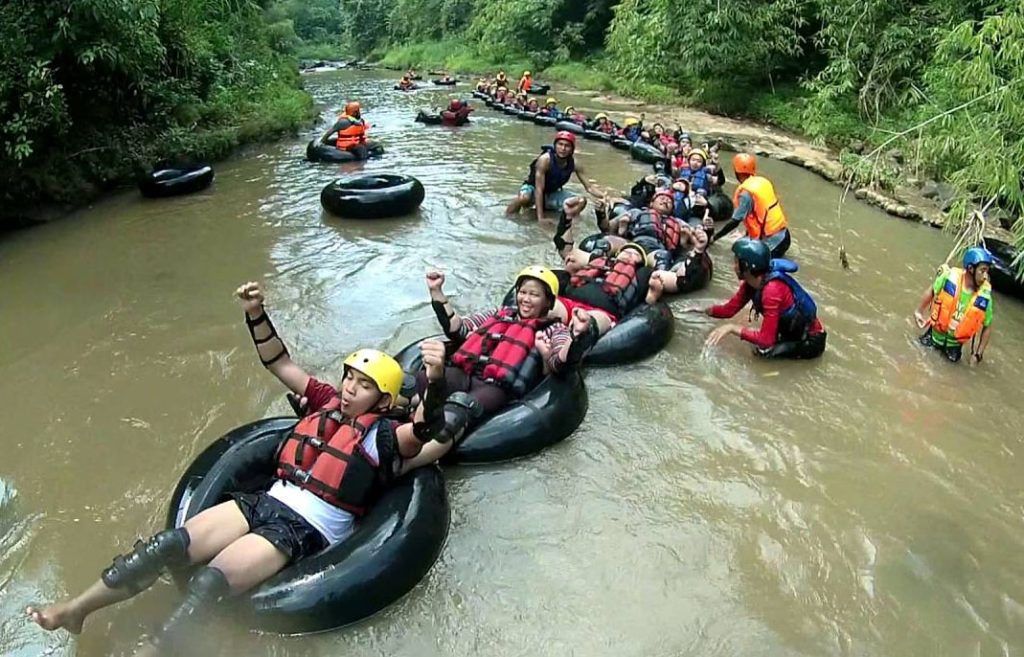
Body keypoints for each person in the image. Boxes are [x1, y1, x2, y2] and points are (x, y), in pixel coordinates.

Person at [26, 282, 453, 655]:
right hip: (264, 501)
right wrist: (256, 313)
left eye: (363, 386)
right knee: (166, 545)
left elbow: (423, 428)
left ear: (382, 401)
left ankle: (154, 652)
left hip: (304, 528)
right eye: (349, 378)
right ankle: (76, 610)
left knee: (209, 585)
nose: (349, 389)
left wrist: (435, 379)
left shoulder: (383, 435)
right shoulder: (323, 401)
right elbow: (279, 363)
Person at [420, 267, 598, 444]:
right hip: (465, 372)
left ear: (548, 301)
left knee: (458, 410)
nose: (526, 299)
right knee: (420, 382)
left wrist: (576, 335)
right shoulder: (497, 314)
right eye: (522, 292)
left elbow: (560, 361)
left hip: (497, 387)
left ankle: (421, 452)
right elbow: (458, 329)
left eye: (534, 295)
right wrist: (437, 293)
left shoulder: (554, 329)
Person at [690, 238, 826, 359]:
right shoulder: (752, 282)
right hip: (791, 331)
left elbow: (766, 341)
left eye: (737, 263)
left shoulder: (772, 291)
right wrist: (704, 310)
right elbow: (729, 310)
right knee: (759, 345)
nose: (734, 267)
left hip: (811, 340)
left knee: (762, 352)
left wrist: (732, 328)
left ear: (747, 267)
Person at [914, 247, 994, 363]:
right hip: (933, 336)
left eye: (987, 271)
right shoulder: (948, 277)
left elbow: (988, 326)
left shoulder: (985, 297)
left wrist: (978, 354)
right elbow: (932, 290)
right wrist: (919, 311)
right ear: (971, 269)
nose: (985, 276)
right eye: (982, 271)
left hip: (954, 347)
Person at [506, 131, 601, 222]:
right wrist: (541, 218)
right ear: (555, 146)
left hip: (552, 193)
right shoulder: (545, 160)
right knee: (524, 198)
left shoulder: (575, 163)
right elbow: (539, 190)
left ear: (572, 149)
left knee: (581, 201)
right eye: (560, 144)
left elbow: (589, 187)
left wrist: (605, 196)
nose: (563, 149)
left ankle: (565, 221)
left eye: (567, 146)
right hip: (533, 189)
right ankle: (507, 216)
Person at [713, 153, 791, 258]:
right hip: (784, 235)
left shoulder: (746, 194)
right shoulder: (763, 182)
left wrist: (714, 238)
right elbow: (758, 214)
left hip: (773, 243)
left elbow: (735, 222)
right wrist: (747, 234)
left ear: (737, 172)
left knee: (742, 259)